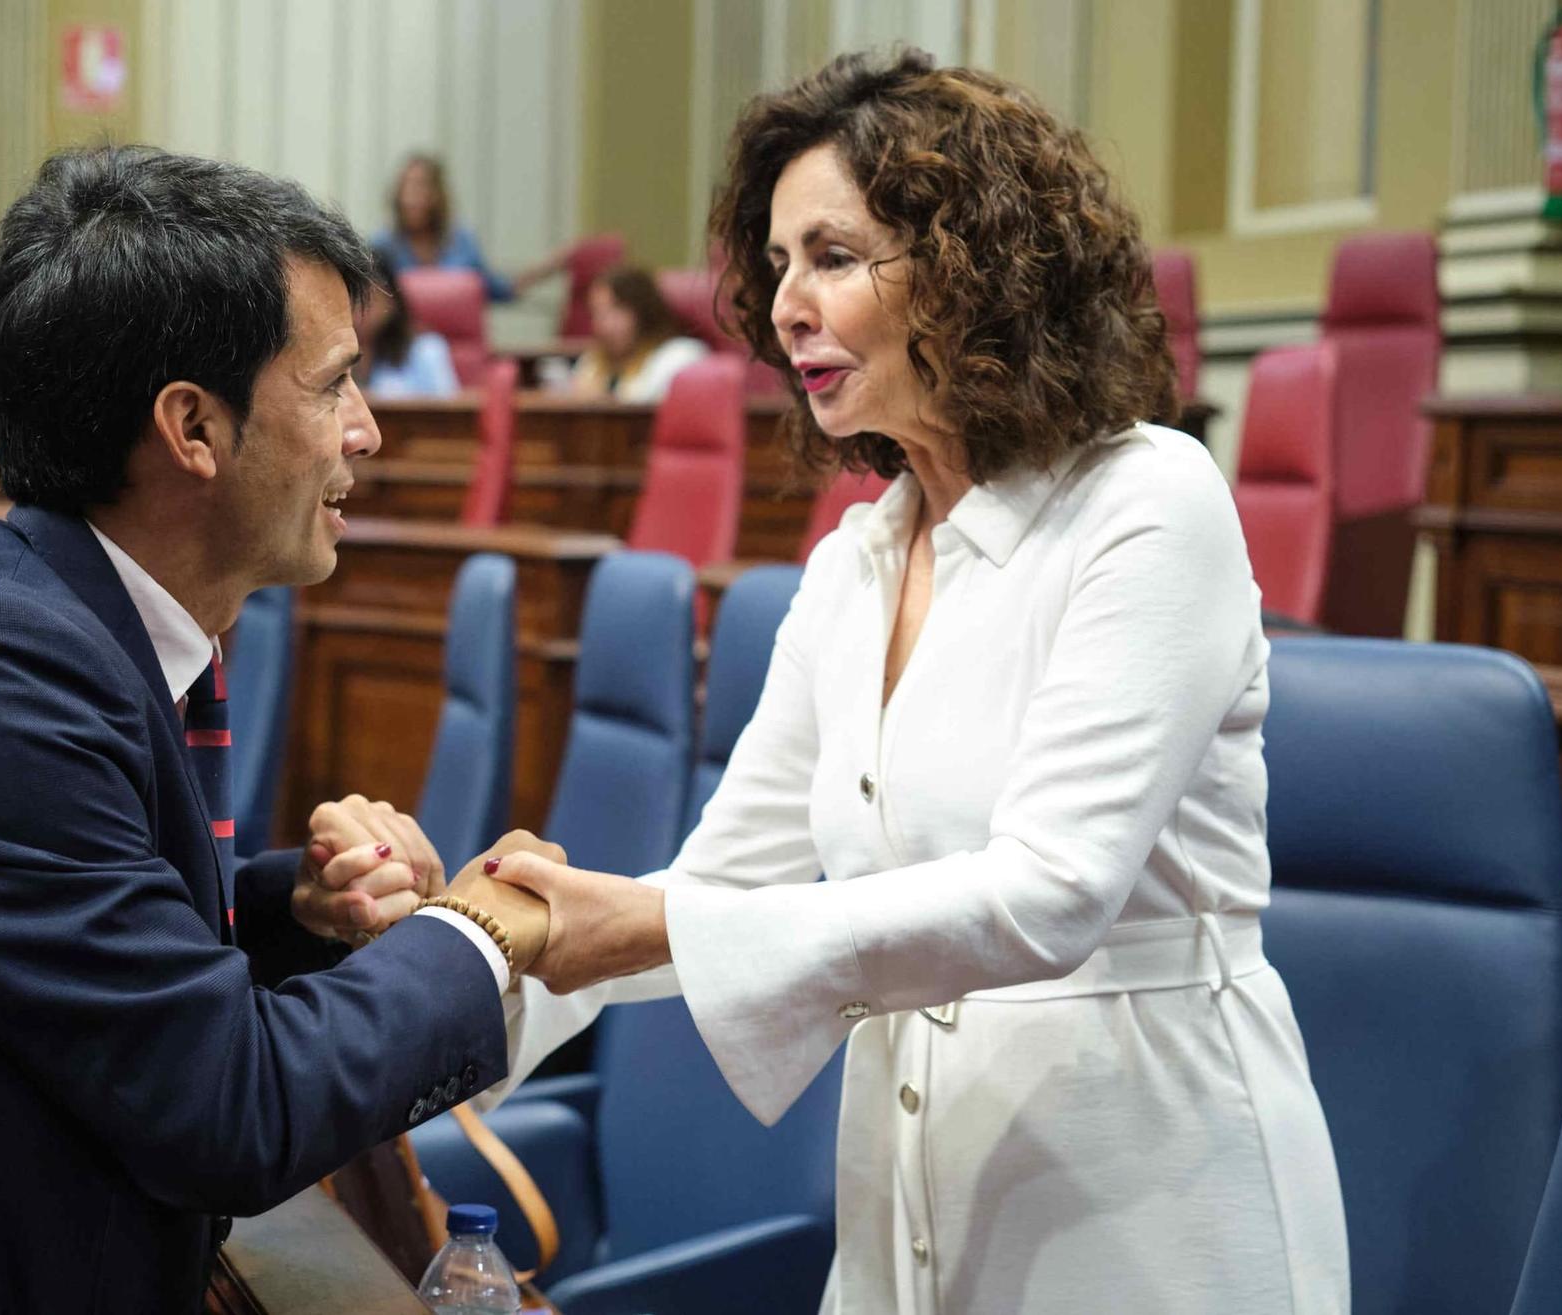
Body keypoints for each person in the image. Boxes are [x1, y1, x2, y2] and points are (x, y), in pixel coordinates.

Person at [474, 51, 1351, 1314]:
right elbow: (723, 886)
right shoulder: (853, 562)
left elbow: (1049, 893)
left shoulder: (1147, 501)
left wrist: (655, 924)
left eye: (829, 257)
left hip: (1148, 1216)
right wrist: (464, 976)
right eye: (775, 266)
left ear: (969, 268)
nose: (783, 307)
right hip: (907, 1207)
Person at [0, 145, 559, 1314]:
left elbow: (86, 974)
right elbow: (227, 1112)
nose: (366, 431)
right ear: (192, 426)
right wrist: (484, 930)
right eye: (333, 384)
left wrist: (292, 911)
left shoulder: (73, 629)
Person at [373, 153, 562, 302]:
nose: (411, 198)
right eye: (405, 188)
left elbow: (496, 288)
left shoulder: (462, 241)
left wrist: (548, 267)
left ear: (438, 194)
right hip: (401, 346)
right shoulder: (382, 246)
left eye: (421, 187)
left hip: (457, 345)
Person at [567, 266, 711, 402]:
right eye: (597, 313)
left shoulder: (680, 357)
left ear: (643, 311)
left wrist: (604, 401)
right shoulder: (593, 361)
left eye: (617, 310)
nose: (605, 325)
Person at [357, 250, 460, 398]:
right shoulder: (334, 354)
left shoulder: (427, 350)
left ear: (392, 300)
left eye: (368, 301)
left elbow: (448, 415)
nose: (358, 311)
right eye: (351, 300)